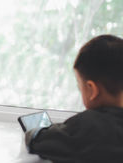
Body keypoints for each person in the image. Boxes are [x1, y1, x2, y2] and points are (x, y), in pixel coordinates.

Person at [25, 34, 123, 163]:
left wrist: (36, 132)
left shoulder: (91, 126)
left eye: (80, 87)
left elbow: (39, 139)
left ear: (92, 90)